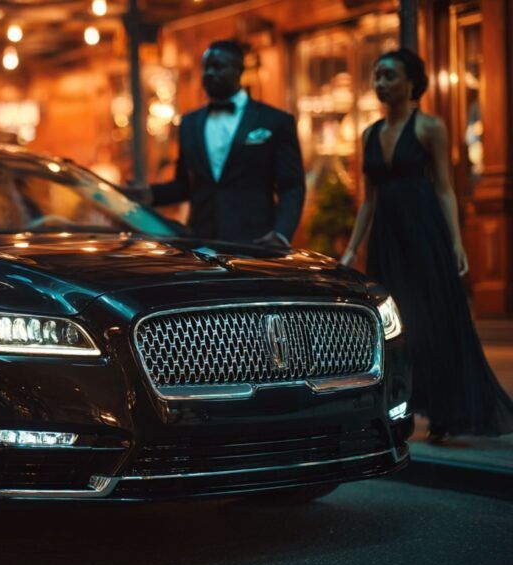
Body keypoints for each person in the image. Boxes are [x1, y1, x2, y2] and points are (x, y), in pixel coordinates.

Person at [341, 48, 513, 442]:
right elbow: (368, 199)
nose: (380, 83)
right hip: (387, 237)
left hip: (424, 232)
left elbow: (445, 188)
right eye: (376, 76)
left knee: (434, 321)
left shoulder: (430, 127)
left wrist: (455, 241)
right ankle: (394, 409)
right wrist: (352, 251)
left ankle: (444, 414)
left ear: (412, 83)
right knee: (394, 325)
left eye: (389, 75)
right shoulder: (368, 134)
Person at [149, 40, 305, 246]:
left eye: (219, 66)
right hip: (201, 243)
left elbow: (291, 186)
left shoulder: (274, 121)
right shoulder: (188, 123)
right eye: (206, 67)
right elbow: (184, 186)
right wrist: (149, 194)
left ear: (239, 70)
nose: (210, 73)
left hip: (255, 244)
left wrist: (281, 234)